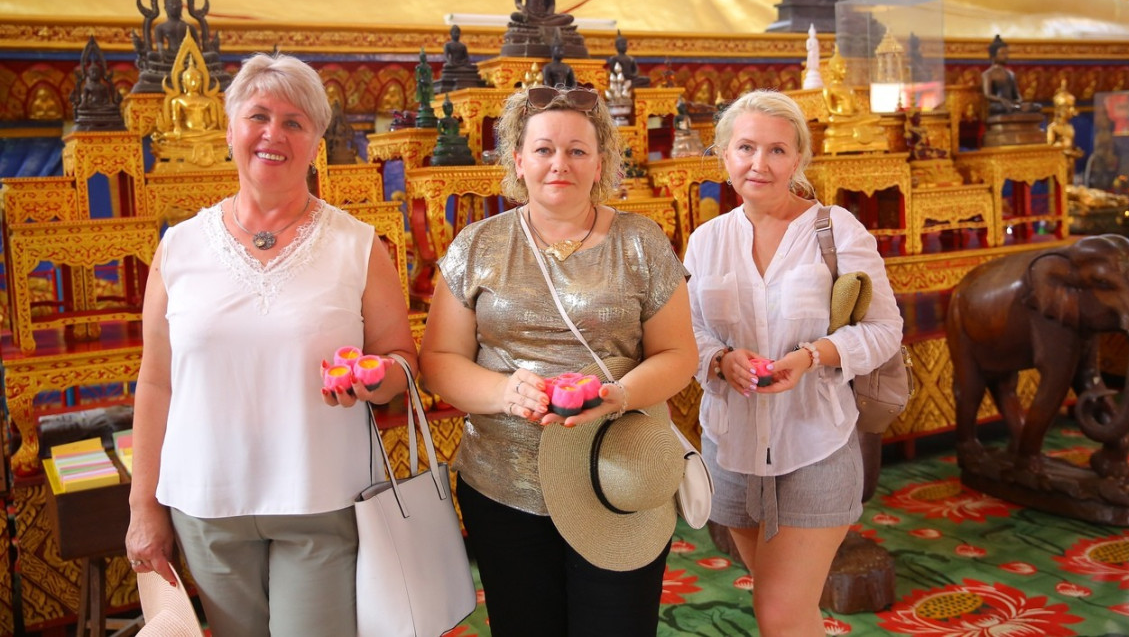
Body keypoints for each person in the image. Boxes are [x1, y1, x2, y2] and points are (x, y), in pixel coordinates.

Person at [126, 52, 418, 637]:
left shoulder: (358, 245)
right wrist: (143, 507)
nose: (272, 134)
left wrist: (373, 377)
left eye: (294, 122)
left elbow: (403, 362)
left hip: (321, 496)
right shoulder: (179, 247)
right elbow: (156, 382)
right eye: (258, 116)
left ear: (316, 143)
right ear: (230, 130)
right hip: (205, 500)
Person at [420, 85, 697, 636]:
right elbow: (439, 358)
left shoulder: (640, 241)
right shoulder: (479, 244)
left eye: (577, 150)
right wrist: (504, 392)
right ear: (518, 160)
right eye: (544, 149)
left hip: (616, 473)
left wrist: (620, 394)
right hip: (504, 481)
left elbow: (678, 353)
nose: (559, 164)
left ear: (601, 162)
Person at [684, 90, 903, 637]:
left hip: (816, 442)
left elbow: (885, 330)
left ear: (798, 158)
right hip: (730, 445)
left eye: (777, 150)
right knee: (792, 611)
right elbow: (688, 333)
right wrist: (721, 360)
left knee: (778, 614)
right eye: (746, 147)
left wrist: (812, 356)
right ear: (724, 154)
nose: (759, 163)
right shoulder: (705, 241)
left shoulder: (836, 230)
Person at [982, 35, 1042, 116]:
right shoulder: (988, 74)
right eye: (1002, 53)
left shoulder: (1010, 74)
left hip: (1011, 104)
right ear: (993, 56)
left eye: (1007, 53)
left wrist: (1018, 101)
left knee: (1036, 107)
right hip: (998, 105)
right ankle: (1014, 108)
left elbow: (1016, 94)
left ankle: (1016, 108)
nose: (1006, 56)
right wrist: (1001, 100)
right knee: (1003, 108)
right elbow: (987, 94)